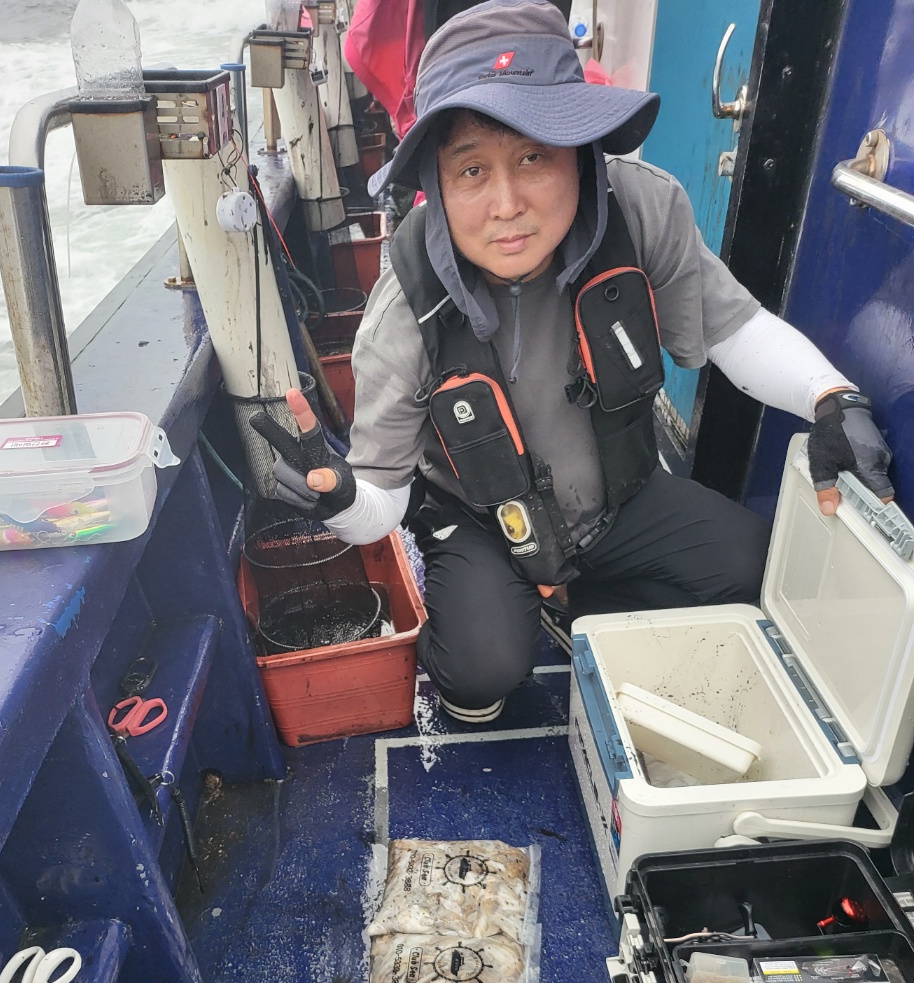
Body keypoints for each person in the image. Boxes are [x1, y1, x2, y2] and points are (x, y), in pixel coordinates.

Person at [270, 0, 893, 723]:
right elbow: (382, 498)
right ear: (436, 184)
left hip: (621, 496)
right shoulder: (403, 305)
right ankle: (505, 605)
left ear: (582, 148)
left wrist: (829, 396)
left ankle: (584, 601)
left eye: (534, 156)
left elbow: (735, 328)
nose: (506, 204)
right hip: (483, 518)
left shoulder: (645, 209)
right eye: (470, 170)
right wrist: (341, 500)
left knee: (757, 567)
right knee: (481, 672)